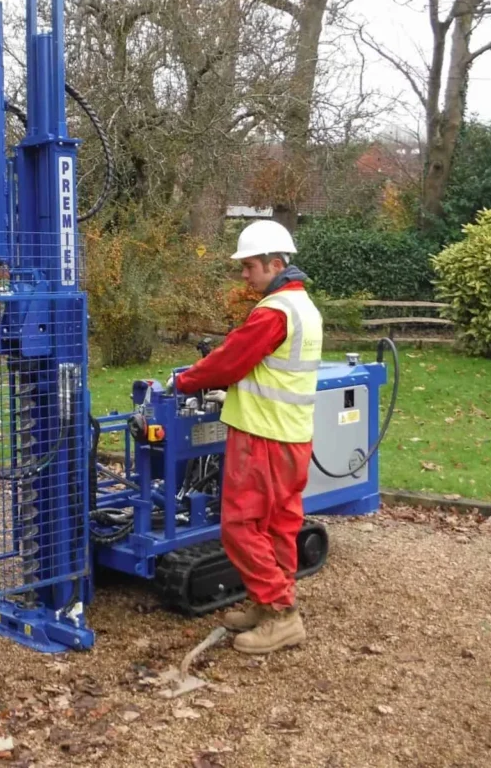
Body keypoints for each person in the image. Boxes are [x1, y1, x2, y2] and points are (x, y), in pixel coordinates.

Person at [169, 219, 323, 655]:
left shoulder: (273, 312)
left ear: (276, 264)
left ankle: (281, 613)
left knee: (239, 526)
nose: (244, 274)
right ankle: (268, 603)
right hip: (293, 436)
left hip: (262, 436)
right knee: (278, 525)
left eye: (250, 266)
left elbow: (230, 360)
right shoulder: (304, 308)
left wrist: (183, 382)